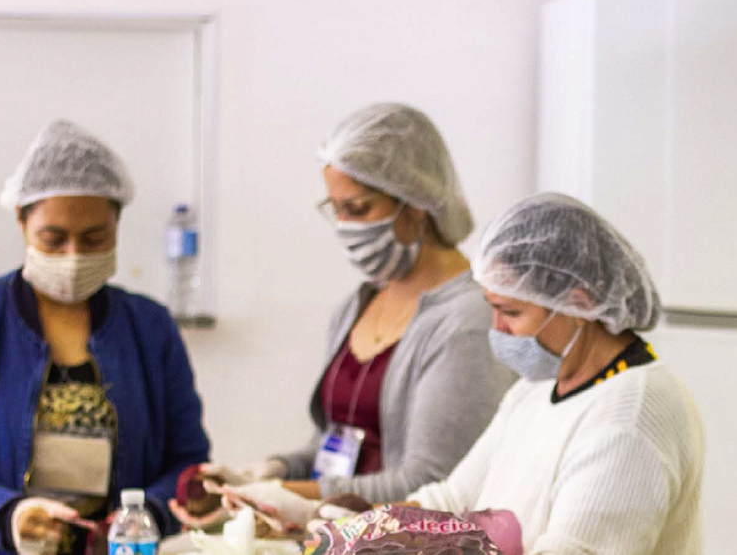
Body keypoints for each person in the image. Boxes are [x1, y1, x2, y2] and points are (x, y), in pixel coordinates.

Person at [174, 104, 515, 523]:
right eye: (334, 209)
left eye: (358, 209)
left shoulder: (468, 320)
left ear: (417, 201)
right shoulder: (358, 304)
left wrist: (282, 495)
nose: (344, 226)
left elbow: (430, 483)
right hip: (338, 534)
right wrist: (273, 471)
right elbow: (335, 448)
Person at [0, 120, 211, 555]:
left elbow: (188, 461)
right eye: (53, 239)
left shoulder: (150, 327)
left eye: (95, 238)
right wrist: (5, 515)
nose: (74, 256)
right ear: (21, 220)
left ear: (117, 224)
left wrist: (143, 517)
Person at [401, 193, 705, 554]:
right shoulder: (535, 390)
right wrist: (363, 529)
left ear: (579, 303)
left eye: (511, 312)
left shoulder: (630, 417)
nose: (497, 329)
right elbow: (452, 501)